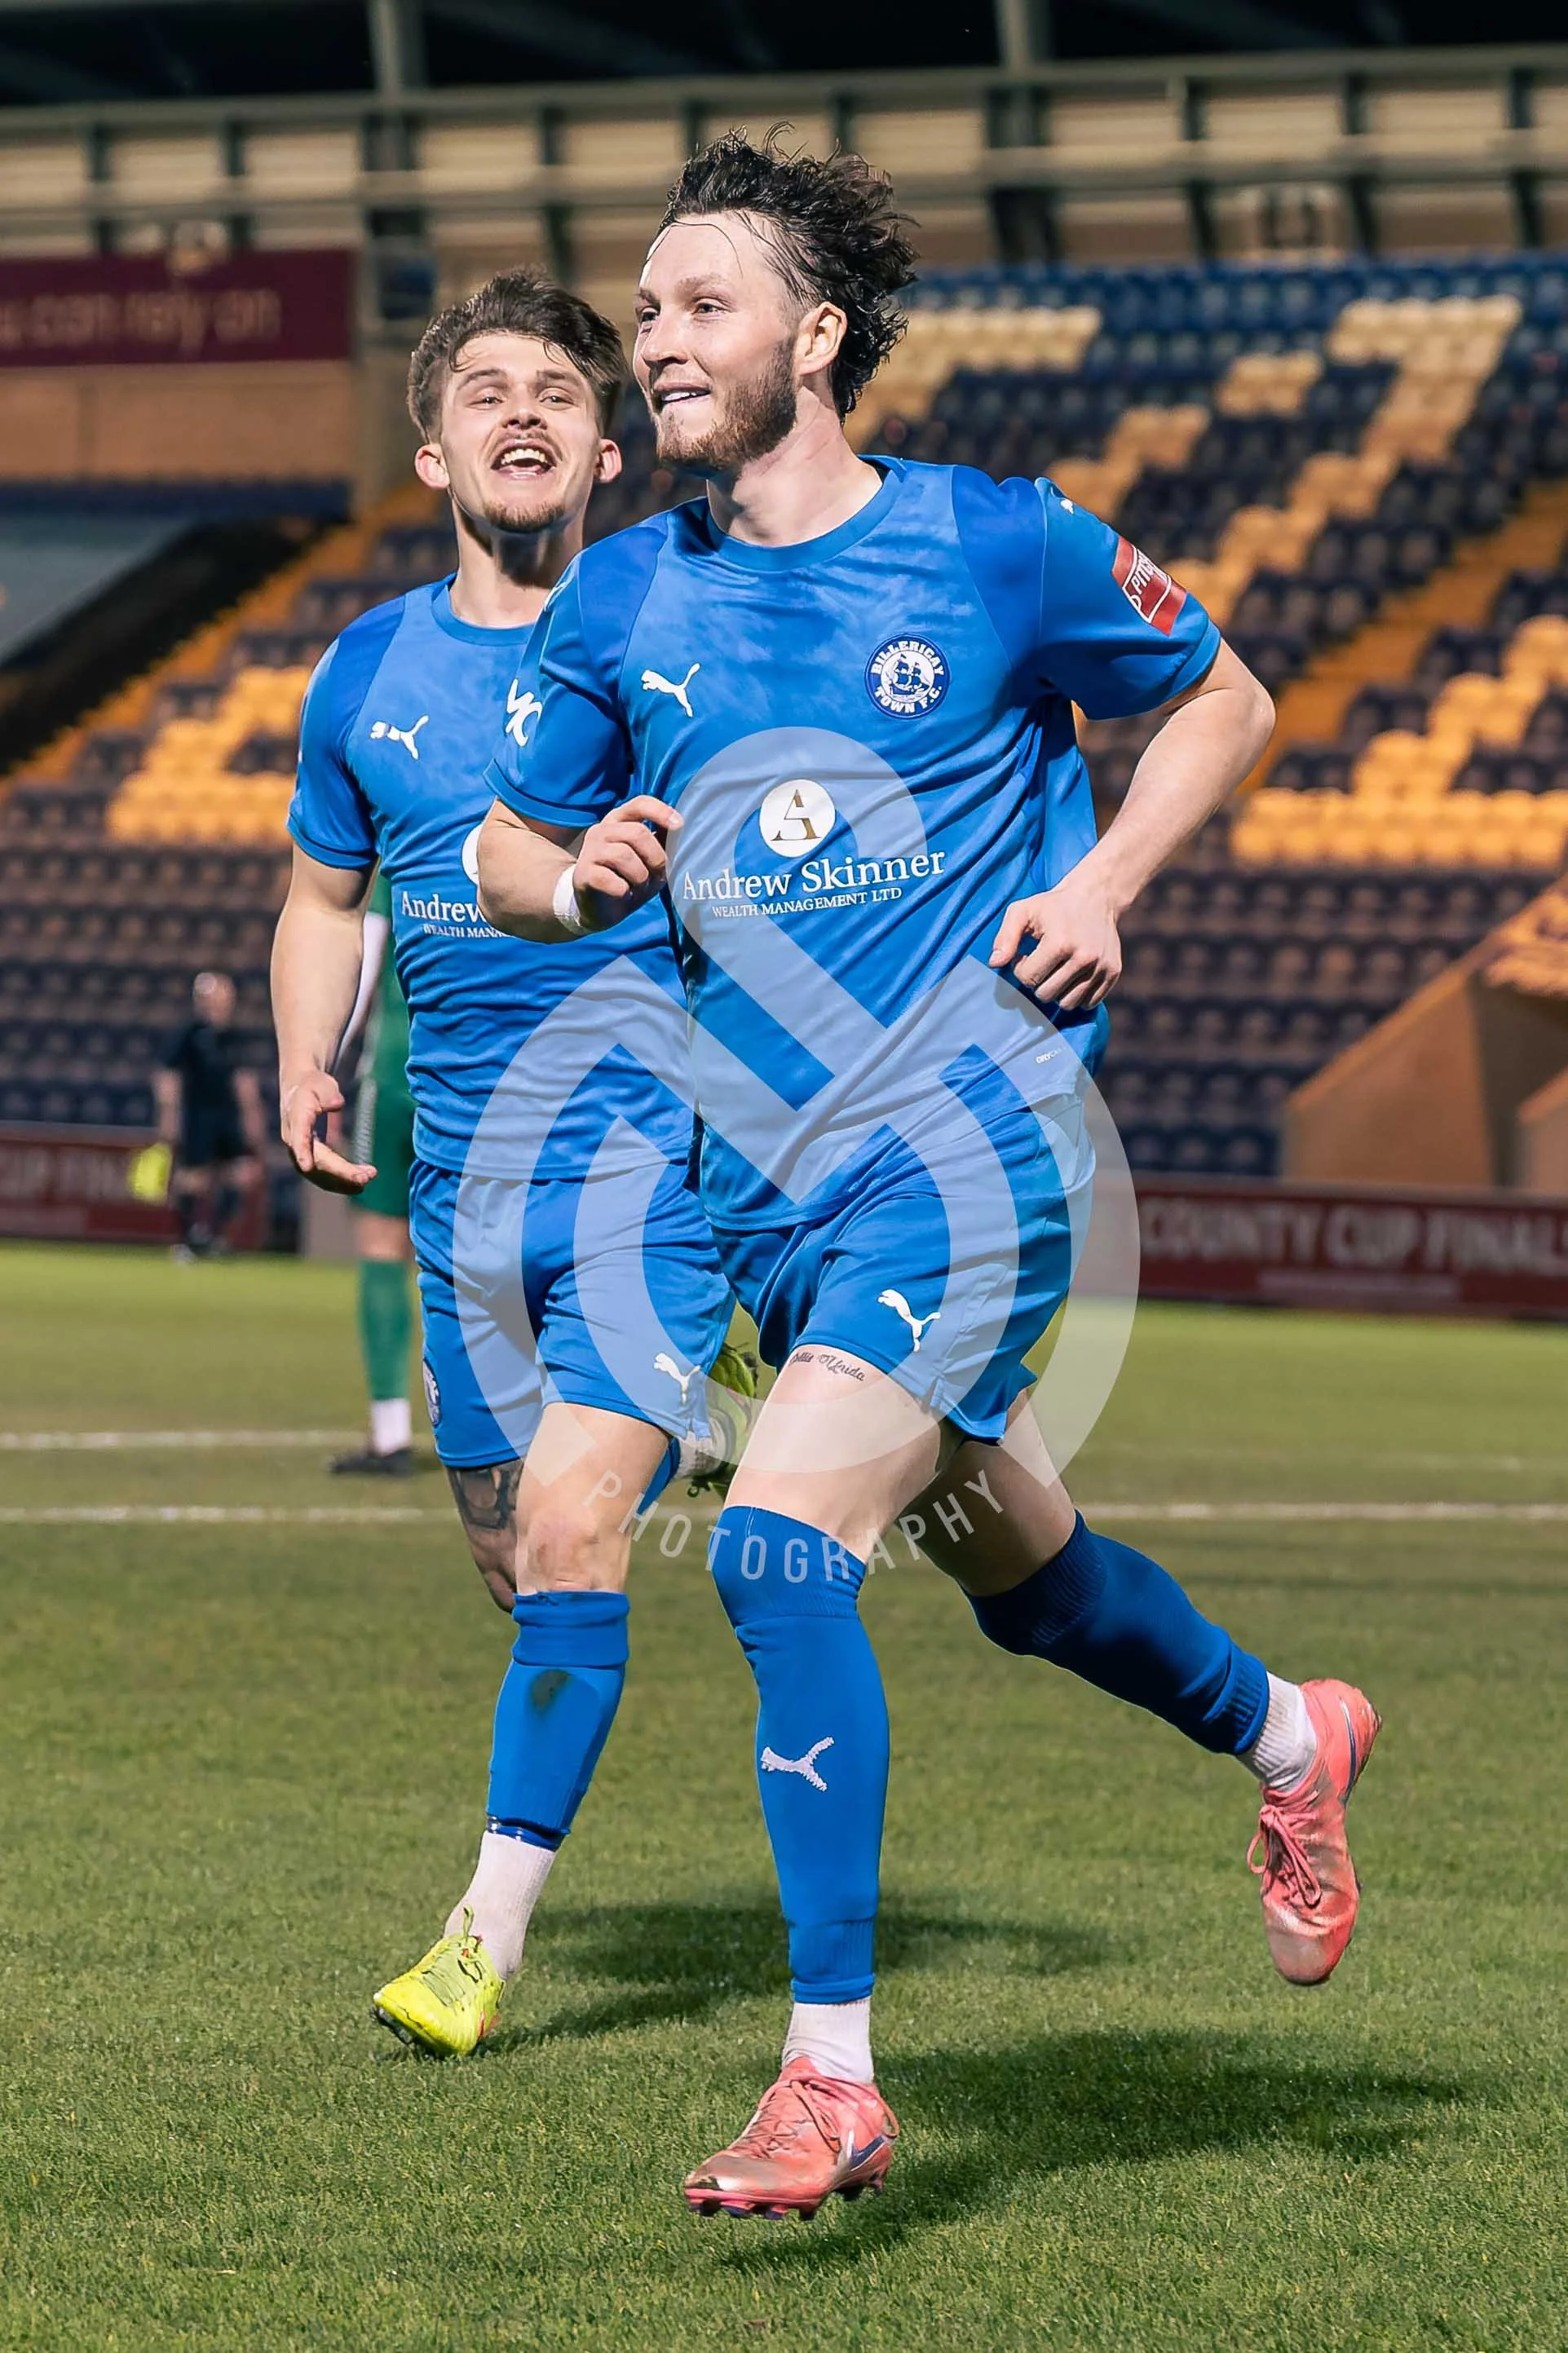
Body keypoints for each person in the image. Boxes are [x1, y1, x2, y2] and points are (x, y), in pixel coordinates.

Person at [476, 136, 1383, 2218]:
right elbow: (512, 849)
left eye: (699, 302)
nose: (656, 338)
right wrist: (568, 876)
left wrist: (1101, 879)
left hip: (964, 1157)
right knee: (1017, 1576)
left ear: (815, 335)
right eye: (642, 306)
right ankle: (1283, 1737)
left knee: (775, 1550)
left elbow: (1219, 694)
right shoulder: (627, 590)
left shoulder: (991, 546)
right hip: (751, 1189)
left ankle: (828, 2076)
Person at [271, 268, 740, 2059]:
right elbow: (323, 896)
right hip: (463, 1191)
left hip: (653, 1170)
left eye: (559, 385)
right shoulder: (365, 667)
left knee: (564, 1526)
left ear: (611, 448)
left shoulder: (692, 630)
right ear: (433, 443)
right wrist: (308, 1050)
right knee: (512, 1557)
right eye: (486, 389)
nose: (523, 409)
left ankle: (479, 1939)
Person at [329, 872, 418, 1477]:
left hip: (391, 1076)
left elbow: (358, 976)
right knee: (474, 1257)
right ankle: (493, 1428)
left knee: (383, 1243)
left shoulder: (401, 857)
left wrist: (325, 1068)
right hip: (479, 1080)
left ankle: (391, 1433)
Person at [155, 969, 265, 1260]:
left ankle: (213, 1237)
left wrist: (252, 1118)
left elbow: (245, 1082)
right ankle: (187, 1240)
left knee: (237, 1176)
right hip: (198, 1114)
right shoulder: (188, 1034)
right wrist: (169, 1114)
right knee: (194, 1177)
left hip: (228, 1117)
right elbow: (168, 1076)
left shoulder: (235, 1037)